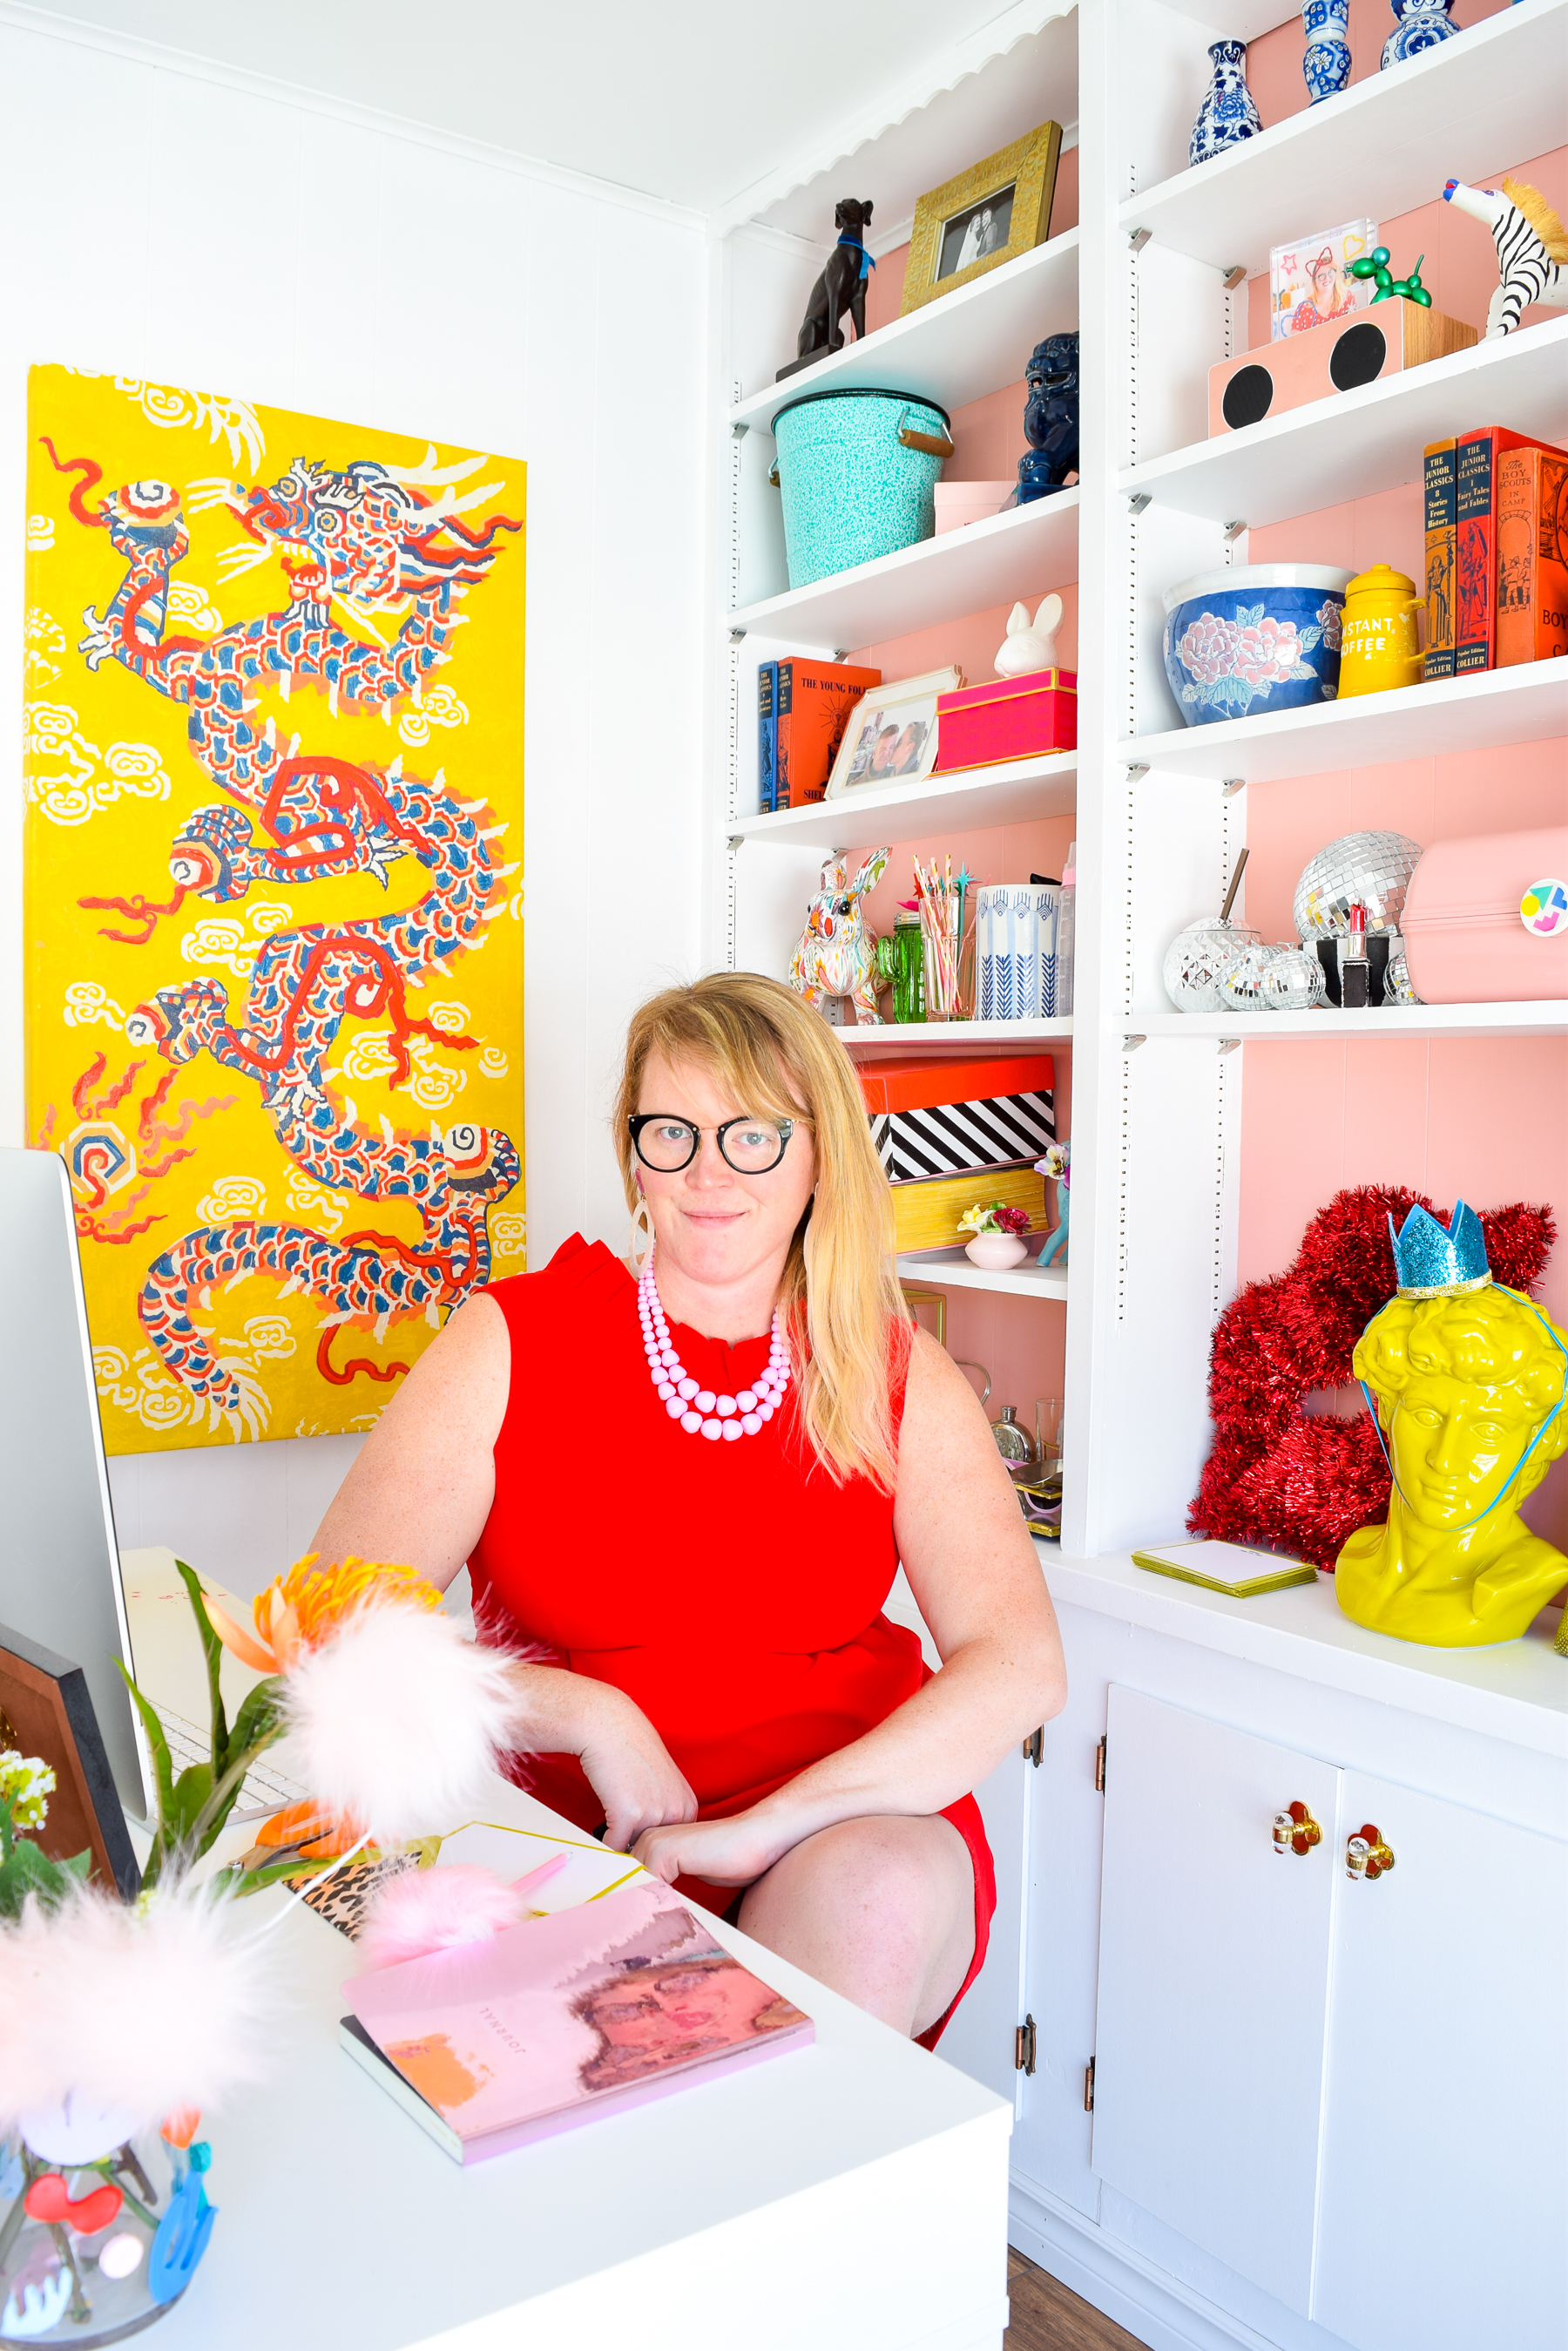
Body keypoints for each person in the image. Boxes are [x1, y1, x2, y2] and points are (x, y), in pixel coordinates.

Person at [308, 972, 1066, 2044]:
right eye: (673, 1131)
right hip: (580, 1832)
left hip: (832, 1823)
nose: (709, 1171)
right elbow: (331, 1630)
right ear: (634, 1155)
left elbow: (1020, 1662)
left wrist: (766, 1829)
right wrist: (591, 1716)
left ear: (819, 1157)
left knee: (868, 1916)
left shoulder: (896, 1370)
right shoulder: (513, 1341)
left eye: (753, 1133)